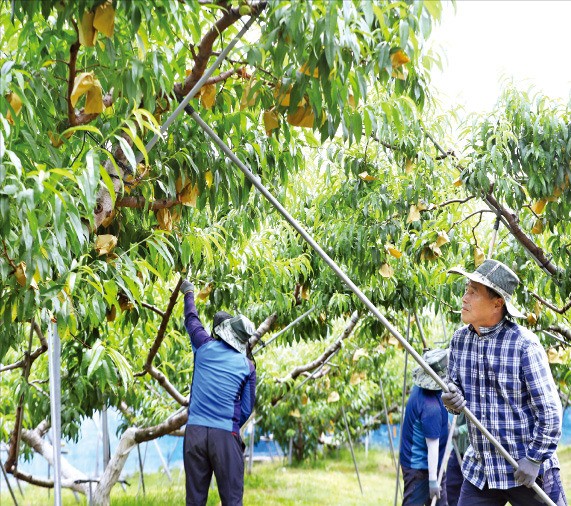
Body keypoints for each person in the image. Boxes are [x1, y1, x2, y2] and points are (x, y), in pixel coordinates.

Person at [442, 259, 567, 506]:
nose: (464, 298)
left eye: (473, 292)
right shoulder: (460, 341)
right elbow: (453, 390)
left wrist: (534, 458)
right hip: (483, 469)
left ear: (497, 303)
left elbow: (550, 412)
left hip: (526, 468)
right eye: (466, 289)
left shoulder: (524, 345)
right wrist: (450, 399)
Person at [180, 278, 257, 506]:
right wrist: (229, 425)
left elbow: (191, 319)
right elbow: (246, 409)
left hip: (194, 433)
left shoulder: (203, 346)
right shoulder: (247, 366)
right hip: (225, 435)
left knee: (195, 501)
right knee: (232, 501)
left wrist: (189, 291)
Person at [399, 348, 450, 506]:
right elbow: (432, 447)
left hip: (425, 465)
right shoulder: (430, 408)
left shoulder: (421, 389)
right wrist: (433, 481)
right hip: (421, 469)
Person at [446, 413, 468, 506]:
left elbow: (479, 422)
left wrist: (459, 430)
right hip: (457, 450)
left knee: (469, 490)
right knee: (450, 485)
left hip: (472, 453)